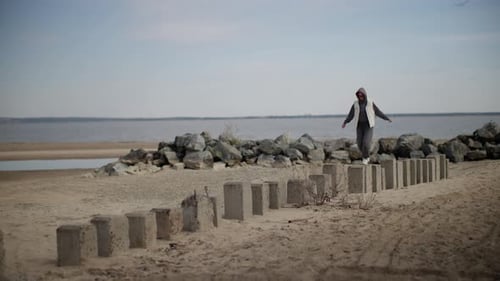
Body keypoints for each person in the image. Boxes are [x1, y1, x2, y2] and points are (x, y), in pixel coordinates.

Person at [342, 87, 392, 165]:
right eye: (359, 95)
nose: (360, 97)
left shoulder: (370, 102)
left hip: (368, 126)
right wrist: (345, 122)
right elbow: (351, 114)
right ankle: (366, 155)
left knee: (365, 143)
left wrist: (386, 118)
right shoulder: (355, 104)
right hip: (359, 126)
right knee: (359, 144)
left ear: (365, 95)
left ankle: (365, 158)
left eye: (362, 95)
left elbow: (378, 112)